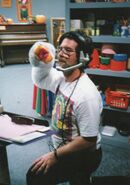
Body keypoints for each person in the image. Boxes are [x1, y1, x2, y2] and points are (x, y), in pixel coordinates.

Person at [26, 30, 103, 185]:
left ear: (82, 57)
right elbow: (41, 79)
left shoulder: (87, 95)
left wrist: (54, 155)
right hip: (63, 148)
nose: (61, 53)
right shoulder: (61, 77)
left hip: (83, 155)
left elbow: (89, 140)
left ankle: (83, 176)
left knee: (36, 177)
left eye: (68, 50)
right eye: (60, 48)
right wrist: (41, 60)